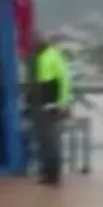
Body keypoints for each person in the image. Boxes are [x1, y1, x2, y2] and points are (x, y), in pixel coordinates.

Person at [31, 32, 73, 186]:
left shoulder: (49, 56)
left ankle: (52, 175)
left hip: (50, 105)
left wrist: (60, 103)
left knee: (50, 140)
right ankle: (48, 173)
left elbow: (57, 82)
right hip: (47, 104)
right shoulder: (46, 56)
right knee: (45, 140)